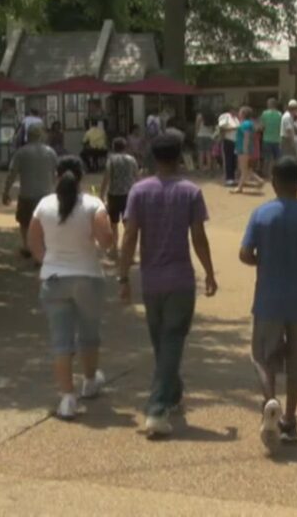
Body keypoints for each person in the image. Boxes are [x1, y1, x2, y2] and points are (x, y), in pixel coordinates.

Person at [117, 133, 217, 439]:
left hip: (151, 280)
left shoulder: (139, 191)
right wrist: (209, 272)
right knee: (171, 340)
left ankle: (171, 393)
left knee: (162, 341)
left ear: (153, 158)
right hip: (180, 278)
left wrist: (123, 276)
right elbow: (198, 237)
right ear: (179, 158)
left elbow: (130, 236)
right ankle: (157, 408)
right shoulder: (190, 191)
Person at [239, 157, 297, 452]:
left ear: (274, 182)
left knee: (262, 357)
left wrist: (263, 261)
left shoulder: (261, 214)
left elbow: (244, 253)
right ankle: (289, 419)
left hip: (268, 298)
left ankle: (270, 402)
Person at [29, 155, 113, 420]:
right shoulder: (93, 204)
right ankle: (89, 380)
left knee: (60, 340)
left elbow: (33, 241)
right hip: (87, 275)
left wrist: (47, 261)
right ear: (82, 177)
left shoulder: (44, 205)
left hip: (54, 278)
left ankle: (67, 397)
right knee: (89, 333)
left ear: (56, 175)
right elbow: (106, 239)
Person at [3, 124, 59, 257]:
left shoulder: (21, 153)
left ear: (28, 136)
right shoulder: (50, 152)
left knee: (24, 221)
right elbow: (57, 173)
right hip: (46, 194)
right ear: (41, 136)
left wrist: (6, 192)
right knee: (45, 222)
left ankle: (27, 246)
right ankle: (43, 247)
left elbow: (12, 174)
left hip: (27, 193)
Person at [101, 137, 139, 258]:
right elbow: (136, 177)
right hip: (129, 195)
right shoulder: (131, 160)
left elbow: (106, 178)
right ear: (125, 147)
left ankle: (114, 248)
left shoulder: (111, 160)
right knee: (128, 224)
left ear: (113, 147)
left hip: (114, 195)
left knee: (114, 223)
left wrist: (101, 194)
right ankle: (128, 251)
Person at [232, 106, 261, 194]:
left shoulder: (246, 124)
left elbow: (247, 136)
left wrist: (245, 148)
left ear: (243, 114)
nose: (239, 113)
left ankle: (239, 187)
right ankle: (259, 180)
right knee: (245, 168)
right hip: (242, 148)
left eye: (240, 112)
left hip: (243, 149)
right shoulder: (247, 123)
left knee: (243, 169)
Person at [260, 98, 283, 177]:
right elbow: (280, 127)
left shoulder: (264, 114)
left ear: (269, 104)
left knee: (267, 158)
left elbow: (262, 127)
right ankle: (275, 173)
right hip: (277, 139)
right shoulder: (280, 114)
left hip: (266, 139)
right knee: (277, 158)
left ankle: (266, 173)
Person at [217, 108, 240, 186]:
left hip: (235, 142)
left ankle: (232, 178)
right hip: (228, 140)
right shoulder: (225, 116)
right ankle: (229, 179)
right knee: (228, 160)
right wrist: (234, 128)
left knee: (233, 161)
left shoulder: (236, 119)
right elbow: (222, 128)